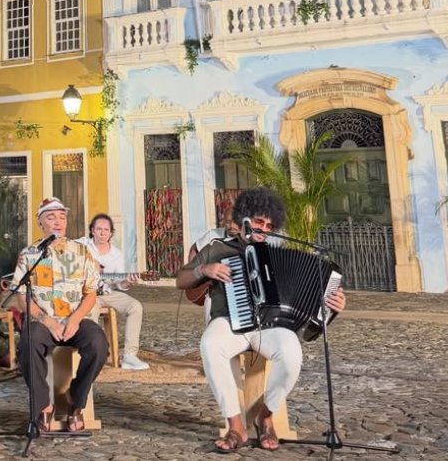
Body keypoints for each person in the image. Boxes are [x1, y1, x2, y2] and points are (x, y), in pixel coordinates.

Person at [176, 187, 347, 453]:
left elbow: (313, 316)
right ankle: (236, 427)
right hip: (231, 321)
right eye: (259, 221)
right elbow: (181, 280)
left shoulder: (275, 255)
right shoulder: (219, 248)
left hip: (272, 326)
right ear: (244, 218)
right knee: (210, 345)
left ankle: (264, 416)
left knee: (292, 356)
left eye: (269, 225)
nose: (264, 228)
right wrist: (204, 269)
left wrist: (332, 307)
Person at [10, 196, 107, 434]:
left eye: (62, 217)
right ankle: (43, 406)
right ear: (40, 223)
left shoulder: (82, 252)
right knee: (29, 340)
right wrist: (48, 321)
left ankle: (75, 401)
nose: (58, 222)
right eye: (51, 217)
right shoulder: (29, 254)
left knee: (98, 344)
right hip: (44, 322)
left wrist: (74, 320)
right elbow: (22, 296)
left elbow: (91, 293)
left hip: (75, 320)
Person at [75, 213, 149, 370]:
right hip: (87, 293)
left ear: (111, 233)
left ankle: (129, 356)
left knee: (135, 306)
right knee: (90, 310)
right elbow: (64, 252)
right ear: (92, 231)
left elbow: (119, 284)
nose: (102, 233)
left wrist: (127, 281)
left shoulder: (117, 255)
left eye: (106, 230)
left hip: (107, 293)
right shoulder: (82, 245)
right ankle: (91, 356)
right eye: (99, 229)